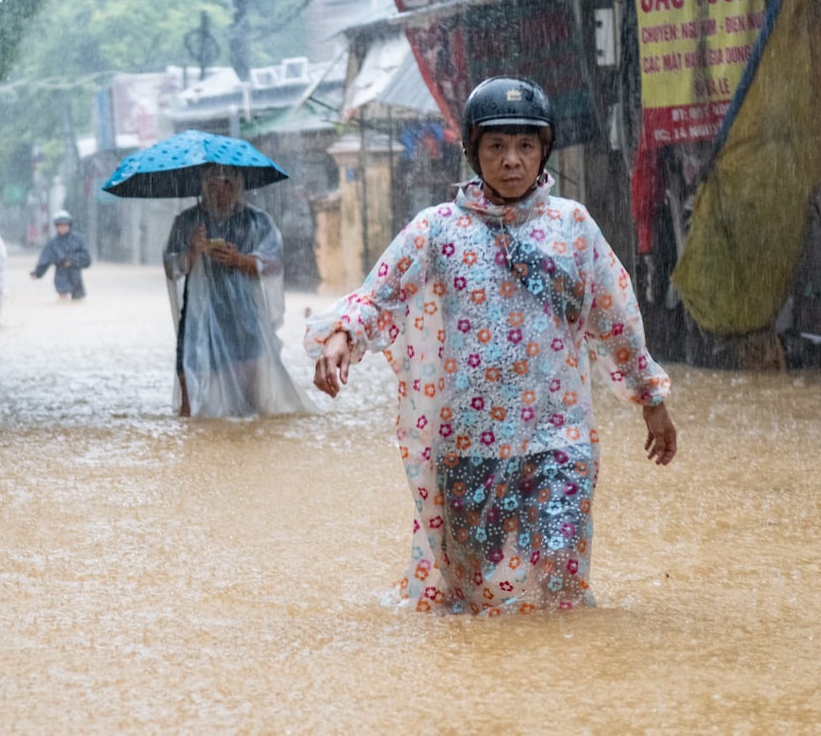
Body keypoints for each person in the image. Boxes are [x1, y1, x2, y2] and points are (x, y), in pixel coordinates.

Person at [305, 76, 678, 616]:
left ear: (544, 151)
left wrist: (653, 402)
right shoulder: (437, 230)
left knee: (560, 587)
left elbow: (616, 320)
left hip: (560, 439)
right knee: (473, 602)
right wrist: (341, 337)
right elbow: (378, 295)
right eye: (496, 146)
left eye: (526, 146)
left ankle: (558, 693)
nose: (511, 161)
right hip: (470, 444)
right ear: (473, 151)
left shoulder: (574, 227)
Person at [163, 164, 313, 419]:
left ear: (239, 188)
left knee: (247, 408)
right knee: (191, 393)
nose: (220, 192)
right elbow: (171, 267)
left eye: (228, 185)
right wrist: (192, 250)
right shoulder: (187, 222)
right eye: (213, 185)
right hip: (198, 316)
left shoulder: (257, 221)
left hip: (243, 314)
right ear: (204, 187)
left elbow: (274, 265)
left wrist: (239, 259)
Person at [29, 210, 92, 299]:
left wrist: (72, 261)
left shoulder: (78, 240)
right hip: (61, 277)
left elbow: (87, 259)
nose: (62, 227)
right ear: (56, 226)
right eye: (59, 225)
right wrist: (37, 273)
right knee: (63, 299)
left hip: (76, 277)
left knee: (78, 300)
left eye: (65, 224)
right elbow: (45, 259)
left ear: (69, 225)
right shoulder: (53, 243)